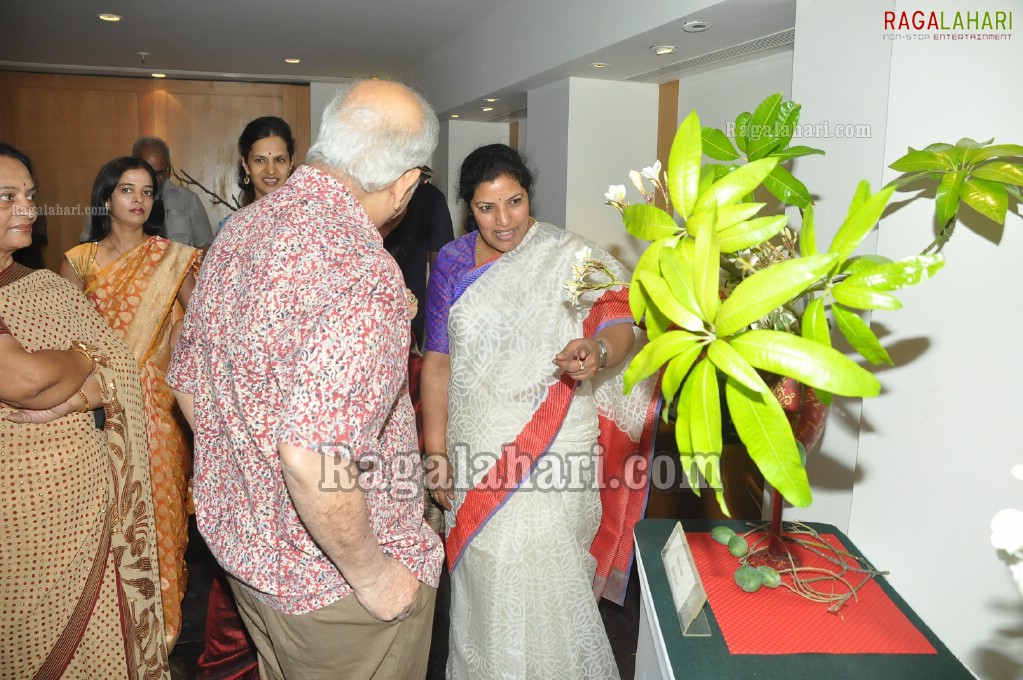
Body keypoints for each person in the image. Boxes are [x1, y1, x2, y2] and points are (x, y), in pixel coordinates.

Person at [167, 79, 444, 679]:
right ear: (407, 183)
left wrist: (255, 471)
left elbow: (189, 384)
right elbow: (309, 457)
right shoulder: (366, 273)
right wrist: (375, 575)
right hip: (335, 586)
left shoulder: (239, 232)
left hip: (248, 559)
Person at [421, 143, 660, 680]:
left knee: (550, 574)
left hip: (557, 440)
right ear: (467, 208)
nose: (503, 220)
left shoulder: (569, 255)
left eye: (515, 201)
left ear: (530, 196)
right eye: (487, 207)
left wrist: (597, 352)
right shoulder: (453, 265)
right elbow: (436, 362)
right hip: (475, 444)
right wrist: (435, 452)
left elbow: (620, 318)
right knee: (487, 576)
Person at [0, 143, 169, 678]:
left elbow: (116, 365)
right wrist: (83, 360)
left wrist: (72, 389)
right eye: (8, 196)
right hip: (18, 519)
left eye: (31, 196)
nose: (27, 208)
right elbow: (25, 381)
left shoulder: (44, 285)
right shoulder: (75, 267)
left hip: (92, 502)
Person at [61, 156, 202, 650]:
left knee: (159, 519)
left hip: (162, 412)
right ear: (106, 198)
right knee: (104, 519)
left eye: (147, 191)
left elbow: (202, 332)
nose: (139, 199)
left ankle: (160, 636)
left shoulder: (176, 257)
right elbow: (65, 343)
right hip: (99, 412)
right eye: (127, 190)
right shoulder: (78, 261)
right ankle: (106, 635)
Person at [196, 114, 296, 680]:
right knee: (246, 531)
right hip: (244, 401)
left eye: (280, 159)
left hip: (297, 397)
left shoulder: (311, 227)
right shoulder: (233, 234)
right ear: (244, 165)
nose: (271, 170)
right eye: (260, 159)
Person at [79, 136, 214, 249]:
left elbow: (207, 248)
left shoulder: (188, 200)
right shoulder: (113, 199)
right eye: (147, 169)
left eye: (159, 173)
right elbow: (88, 245)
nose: (153, 179)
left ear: (168, 170)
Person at [381, 174, 454, 348]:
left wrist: (438, 334)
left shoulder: (430, 198)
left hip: (411, 315)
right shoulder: (361, 191)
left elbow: (442, 274)